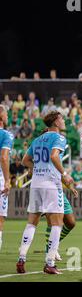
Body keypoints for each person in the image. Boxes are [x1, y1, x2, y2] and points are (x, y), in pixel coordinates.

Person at [17, 111, 74, 274]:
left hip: (36, 184)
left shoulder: (37, 139)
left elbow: (24, 161)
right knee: (57, 223)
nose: (63, 121)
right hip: (51, 184)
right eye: (62, 118)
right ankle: (49, 263)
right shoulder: (59, 138)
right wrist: (64, 174)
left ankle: (21, 258)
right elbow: (54, 156)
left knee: (32, 222)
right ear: (56, 122)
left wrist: (37, 169)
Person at [0, 106, 13, 252]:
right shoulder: (6, 135)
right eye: (6, 114)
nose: (7, 116)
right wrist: (7, 180)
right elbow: (4, 158)